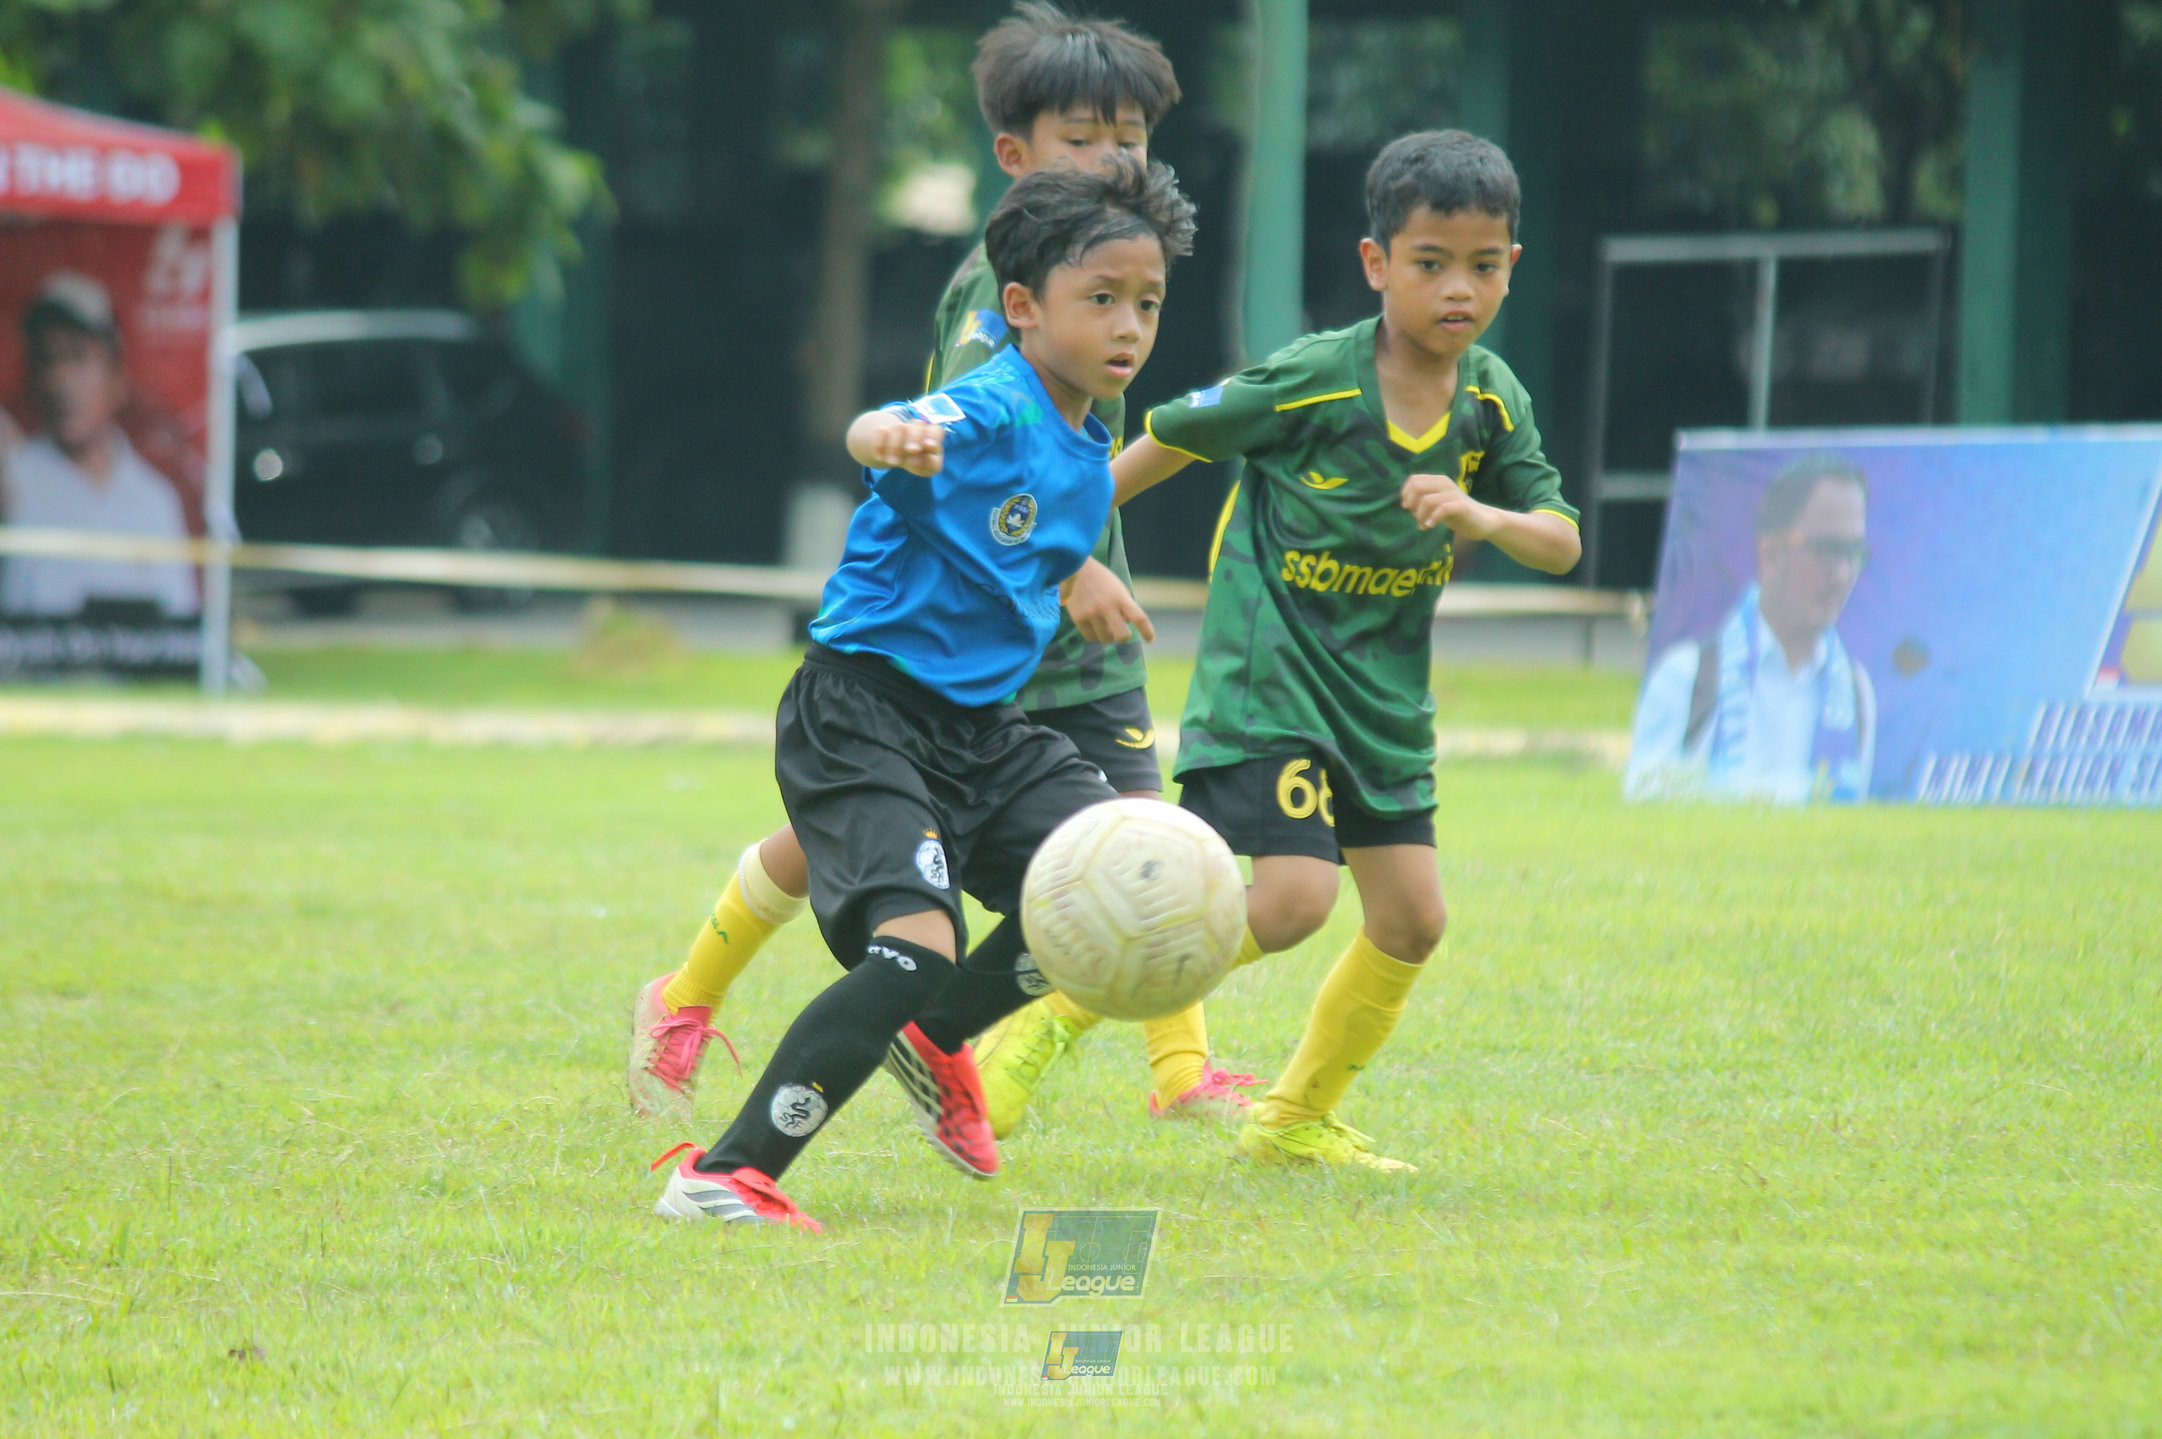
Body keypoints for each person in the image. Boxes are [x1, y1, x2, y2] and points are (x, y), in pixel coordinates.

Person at [628, 2, 1255, 1146]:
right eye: (1082, 138)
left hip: (989, 682)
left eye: (1131, 137)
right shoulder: (1009, 302)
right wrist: (907, 453)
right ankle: (724, 1093)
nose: (1113, 160)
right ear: (1013, 158)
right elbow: (939, 433)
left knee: (1108, 864)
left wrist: (1070, 555)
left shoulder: (1099, 323)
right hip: (915, 670)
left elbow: (1064, 472)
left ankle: (992, 1037)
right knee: (951, 894)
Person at [1108, 130, 1582, 1172]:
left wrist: (1481, 514)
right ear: (1376, 265)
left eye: (1484, 265)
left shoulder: (1490, 396)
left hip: (1381, 704)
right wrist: (1060, 547)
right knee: (1290, 899)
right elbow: (1168, 437)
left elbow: (1561, 539)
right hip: (1270, 677)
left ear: (1511, 264)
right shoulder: (1311, 380)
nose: (1458, 289)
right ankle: (1067, 996)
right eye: (1430, 263)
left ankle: (1289, 1119)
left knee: (1412, 920)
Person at [1625, 457, 1875, 804]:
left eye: (1854, 553)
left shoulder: (1855, 690)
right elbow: (1643, 793)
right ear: (1772, 554)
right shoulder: (1687, 675)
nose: (1843, 573)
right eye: (1829, 550)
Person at [1, 272, 196, 619]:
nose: (62, 382)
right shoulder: (13, 483)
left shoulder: (154, 501)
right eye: (49, 360)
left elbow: (180, 629)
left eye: (78, 358)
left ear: (117, 377)